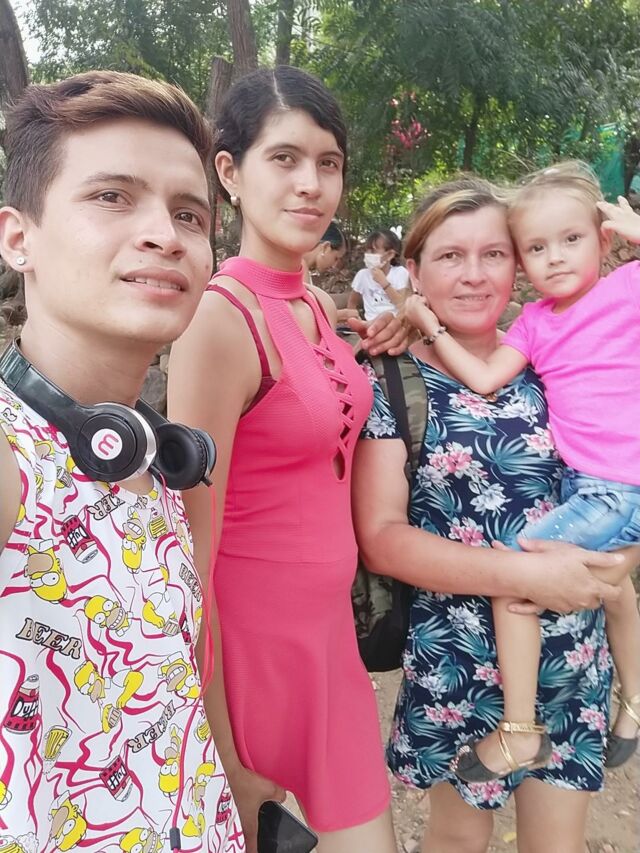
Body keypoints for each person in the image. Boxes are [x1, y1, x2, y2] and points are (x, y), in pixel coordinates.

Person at [352, 176, 639, 853]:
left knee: (556, 844)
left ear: (518, 264)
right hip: (458, 658)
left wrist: (621, 560)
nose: (475, 275)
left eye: (494, 253)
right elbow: (382, 538)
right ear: (415, 269)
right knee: (456, 838)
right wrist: (525, 576)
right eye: (451, 256)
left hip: (572, 654)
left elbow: (620, 481)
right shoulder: (392, 378)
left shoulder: (561, 356)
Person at [0, 72, 244, 851]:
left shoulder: (153, 456)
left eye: (189, 214)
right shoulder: (12, 455)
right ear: (18, 238)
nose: (165, 234)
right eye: (112, 196)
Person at [167, 66, 403, 853]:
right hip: (253, 657)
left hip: (328, 640)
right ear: (230, 172)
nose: (311, 184)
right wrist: (223, 750)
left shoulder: (315, 303)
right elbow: (192, 550)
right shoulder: (217, 321)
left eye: (328, 163)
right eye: (285, 158)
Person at [348, 228, 410, 320]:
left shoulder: (400, 273)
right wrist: (354, 320)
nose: (368, 254)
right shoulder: (362, 275)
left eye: (373, 251)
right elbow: (352, 302)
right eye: (367, 250)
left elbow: (402, 305)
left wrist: (384, 283)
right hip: (370, 325)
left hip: (395, 324)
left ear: (390, 255)